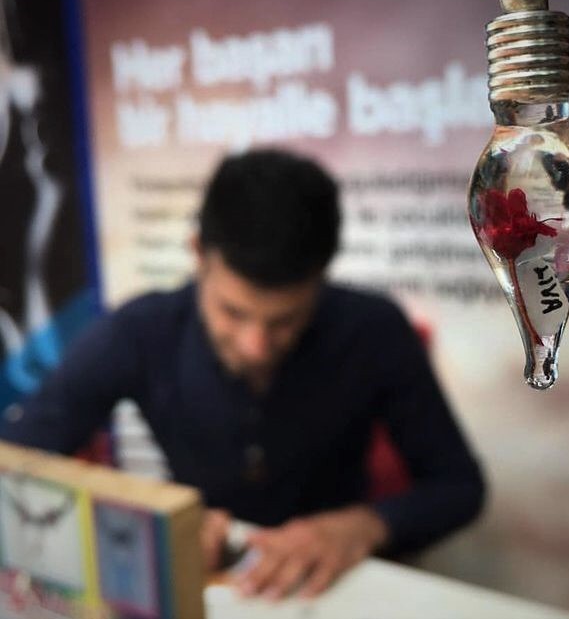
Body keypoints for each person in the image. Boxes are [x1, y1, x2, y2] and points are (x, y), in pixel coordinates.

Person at [0, 148, 486, 599]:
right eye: (232, 312)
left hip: (335, 585)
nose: (256, 346)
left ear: (321, 276)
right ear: (198, 255)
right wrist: (151, 519)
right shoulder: (139, 331)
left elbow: (459, 486)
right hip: (205, 579)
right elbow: (16, 458)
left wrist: (363, 526)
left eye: (285, 320)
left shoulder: (374, 329)